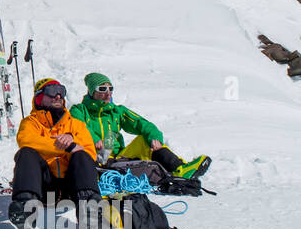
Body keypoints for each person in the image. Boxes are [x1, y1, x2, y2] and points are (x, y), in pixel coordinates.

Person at [68, 72, 210, 177]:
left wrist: (154, 138)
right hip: (93, 157)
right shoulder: (79, 110)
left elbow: (141, 123)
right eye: (103, 89)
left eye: (110, 89)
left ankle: (181, 169)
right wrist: (94, 140)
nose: (108, 93)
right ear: (92, 91)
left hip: (117, 158)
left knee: (145, 140)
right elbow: (78, 127)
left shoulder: (117, 111)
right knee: (108, 138)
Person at [8, 78, 100, 229]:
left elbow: (90, 152)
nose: (58, 96)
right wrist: (66, 147)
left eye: (61, 91)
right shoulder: (30, 123)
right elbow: (26, 140)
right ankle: (25, 208)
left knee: (82, 155)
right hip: (44, 187)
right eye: (52, 91)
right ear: (39, 97)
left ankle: (89, 209)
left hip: (72, 188)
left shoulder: (76, 124)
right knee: (26, 153)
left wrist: (73, 140)